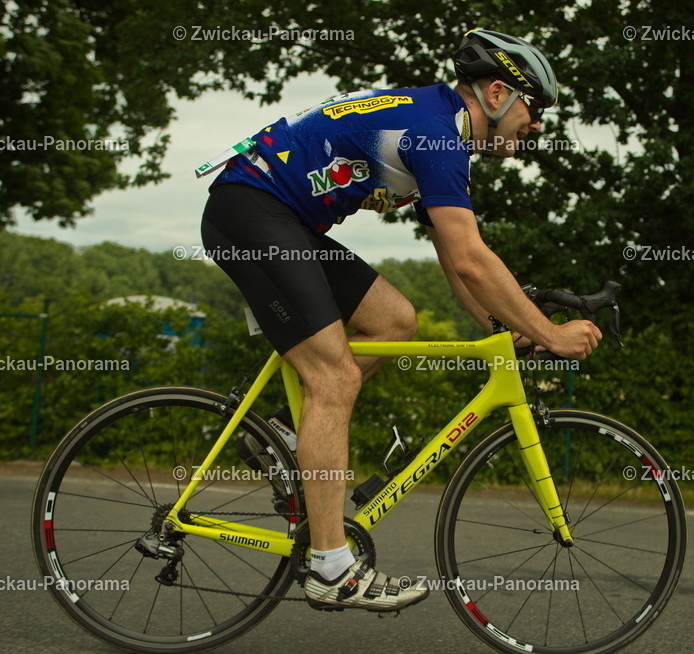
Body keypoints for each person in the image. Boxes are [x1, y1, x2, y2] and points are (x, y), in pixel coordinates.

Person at [199, 28, 601, 613]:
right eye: (534, 108)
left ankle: (286, 431)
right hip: (251, 213)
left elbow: (453, 257)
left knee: (395, 321)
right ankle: (331, 569)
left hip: (281, 219)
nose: (537, 125)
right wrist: (550, 333)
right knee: (333, 379)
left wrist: (499, 328)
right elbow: (471, 255)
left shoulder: (441, 128)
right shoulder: (436, 134)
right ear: (495, 93)